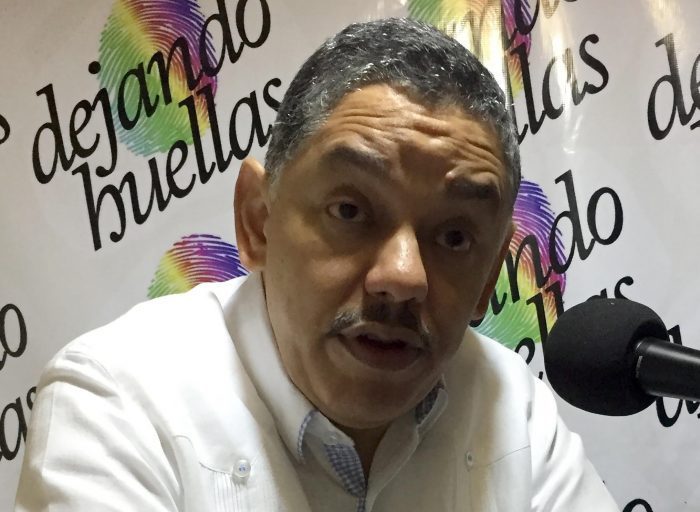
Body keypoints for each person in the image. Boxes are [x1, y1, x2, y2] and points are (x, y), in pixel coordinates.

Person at [15, 18, 619, 512]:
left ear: (489, 276)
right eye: (351, 211)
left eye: (456, 237)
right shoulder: (118, 401)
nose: (404, 277)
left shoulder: (513, 410)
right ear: (258, 222)